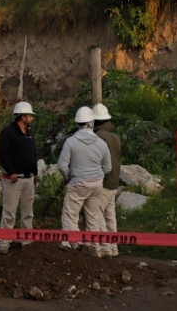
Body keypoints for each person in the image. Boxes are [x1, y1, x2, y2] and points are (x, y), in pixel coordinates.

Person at [57, 106, 111, 254]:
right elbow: (108, 167)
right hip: (96, 184)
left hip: (78, 184)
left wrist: (69, 176)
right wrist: (97, 176)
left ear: (77, 123)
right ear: (91, 123)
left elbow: (62, 165)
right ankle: (94, 248)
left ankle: (75, 245)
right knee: (93, 217)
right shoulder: (101, 143)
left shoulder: (70, 142)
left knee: (70, 216)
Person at [0, 101, 38, 255]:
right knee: (9, 212)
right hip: (13, 180)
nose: (31, 118)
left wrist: (35, 172)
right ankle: (4, 242)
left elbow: (33, 153)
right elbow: (3, 154)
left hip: (28, 179)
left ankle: (26, 240)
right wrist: (11, 172)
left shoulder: (29, 133)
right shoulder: (7, 133)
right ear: (23, 117)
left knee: (28, 212)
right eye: (30, 116)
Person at [91, 103, 122, 258]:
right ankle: (114, 248)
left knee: (97, 215)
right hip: (114, 181)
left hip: (103, 181)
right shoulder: (115, 136)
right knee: (110, 217)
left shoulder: (98, 137)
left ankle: (105, 248)